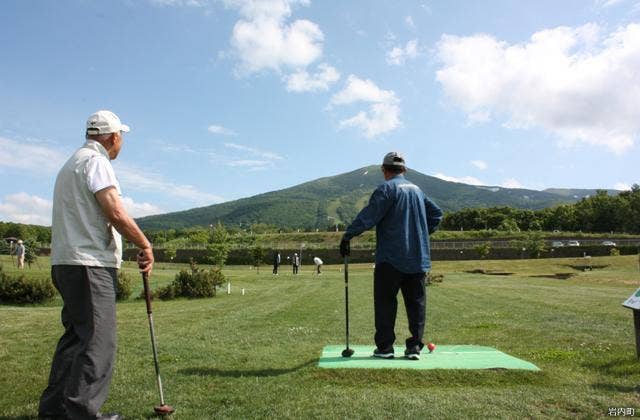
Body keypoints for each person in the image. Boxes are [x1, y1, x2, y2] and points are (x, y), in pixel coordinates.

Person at [39, 110, 154, 420]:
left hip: (66, 262)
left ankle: (54, 411)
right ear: (114, 137)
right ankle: (82, 412)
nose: (121, 144)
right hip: (89, 264)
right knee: (98, 341)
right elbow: (115, 211)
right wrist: (144, 244)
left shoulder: (72, 162)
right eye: (121, 138)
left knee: (76, 338)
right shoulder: (97, 162)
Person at [339, 152, 442, 361]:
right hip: (418, 258)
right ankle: (414, 348)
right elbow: (437, 214)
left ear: (384, 170)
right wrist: (421, 234)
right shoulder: (418, 191)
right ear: (403, 170)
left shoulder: (386, 188)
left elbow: (368, 216)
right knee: (416, 304)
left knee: (386, 303)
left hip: (390, 259)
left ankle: (385, 348)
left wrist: (348, 236)